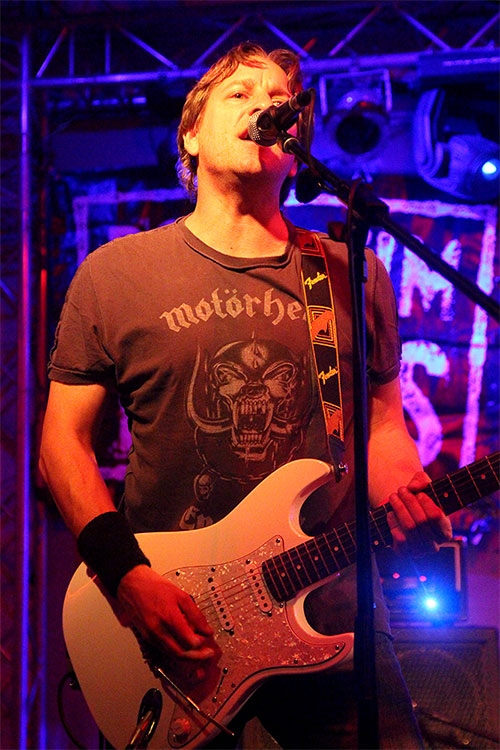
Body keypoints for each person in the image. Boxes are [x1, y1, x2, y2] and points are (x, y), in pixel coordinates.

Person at [39, 42, 452, 749]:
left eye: (280, 103)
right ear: (191, 138)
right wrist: (126, 575)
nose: (265, 106)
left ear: (294, 152)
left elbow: (383, 429)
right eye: (240, 95)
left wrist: (411, 495)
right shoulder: (116, 275)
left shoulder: (349, 272)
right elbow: (61, 445)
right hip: (178, 627)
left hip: (336, 616)